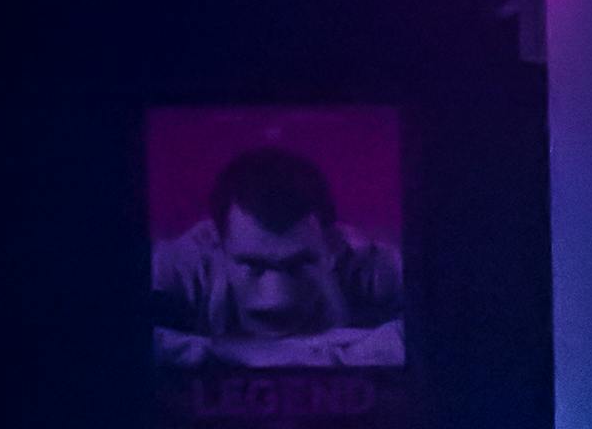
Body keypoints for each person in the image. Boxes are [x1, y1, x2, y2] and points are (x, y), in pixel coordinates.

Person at [151, 144, 407, 366]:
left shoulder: (364, 261)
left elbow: (442, 320)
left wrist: (226, 356)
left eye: (300, 263)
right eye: (252, 264)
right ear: (217, 245)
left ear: (332, 245)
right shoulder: (187, 261)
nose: (276, 299)